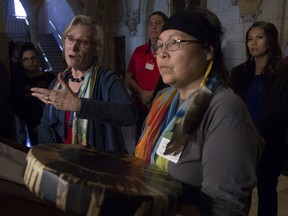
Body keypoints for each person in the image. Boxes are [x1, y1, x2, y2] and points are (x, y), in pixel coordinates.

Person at [134, 8, 264, 215]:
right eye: (160, 45)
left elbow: (225, 207)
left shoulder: (224, 108)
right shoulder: (163, 99)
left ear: (208, 51)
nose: (163, 53)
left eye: (175, 42)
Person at [31, 15, 137, 153]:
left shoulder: (107, 79)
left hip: (98, 165)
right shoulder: (57, 83)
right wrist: (56, 154)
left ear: (95, 50)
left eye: (83, 42)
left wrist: (79, 105)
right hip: (62, 163)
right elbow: (45, 125)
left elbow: (129, 114)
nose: (74, 47)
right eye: (70, 39)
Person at [231, 21, 288, 216]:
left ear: (270, 41)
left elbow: (280, 111)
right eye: (250, 39)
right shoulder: (239, 72)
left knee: (266, 192)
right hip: (241, 141)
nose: (253, 43)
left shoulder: (284, 73)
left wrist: (257, 134)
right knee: (241, 193)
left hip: (269, 143)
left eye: (259, 38)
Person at [125, 11, 168, 140]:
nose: (153, 27)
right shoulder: (138, 51)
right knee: (140, 145)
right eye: (150, 24)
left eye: (158, 23)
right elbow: (128, 79)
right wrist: (141, 93)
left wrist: (153, 94)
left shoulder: (170, 52)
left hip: (163, 109)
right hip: (141, 109)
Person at [10, 42, 56, 146]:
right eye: (26, 59)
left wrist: (45, 124)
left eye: (33, 58)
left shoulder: (50, 78)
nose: (30, 61)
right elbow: (16, 104)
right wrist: (33, 124)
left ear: (39, 59)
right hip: (30, 123)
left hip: (50, 122)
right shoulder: (18, 81)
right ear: (21, 62)